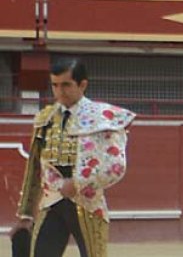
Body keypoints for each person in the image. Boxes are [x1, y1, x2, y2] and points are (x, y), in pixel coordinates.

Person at [15, 58, 134, 257]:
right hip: (51, 202)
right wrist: (25, 214)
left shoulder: (103, 117)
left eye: (66, 85)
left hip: (88, 202)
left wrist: (78, 183)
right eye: (55, 85)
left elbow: (116, 165)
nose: (59, 91)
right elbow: (35, 168)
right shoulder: (45, 119)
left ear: (83, 84)